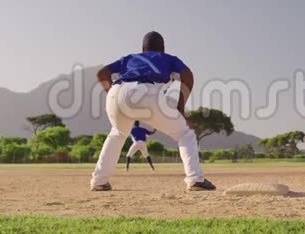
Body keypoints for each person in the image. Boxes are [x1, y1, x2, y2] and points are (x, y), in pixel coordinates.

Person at [90, 31, 216, 191]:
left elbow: (102, 73)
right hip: (147, 92)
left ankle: (99, 180)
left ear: (142, 48)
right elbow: (187, 75)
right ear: (162, 48)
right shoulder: (168, 58)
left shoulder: (129, 59)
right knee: (185, 133)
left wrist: (114, 96)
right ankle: (195, 179)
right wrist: (180, 107)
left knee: (117, 133)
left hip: (117, 93)